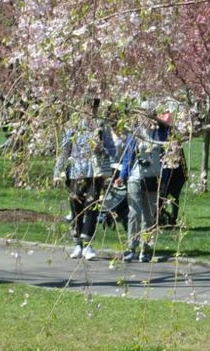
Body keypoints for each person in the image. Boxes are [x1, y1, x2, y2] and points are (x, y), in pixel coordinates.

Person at [53, 105, 115, 259]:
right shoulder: (72, 126)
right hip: (75, 174)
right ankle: (77, 243)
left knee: (91, 206)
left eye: (92, 107)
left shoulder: (101, 126)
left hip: (95, 173)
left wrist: (101, 149)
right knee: (76, 209)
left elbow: (112, 149)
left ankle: (87, 244)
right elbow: (64, 150)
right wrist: (57, 172)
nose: (88, 111)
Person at [116, 103, 168, 262]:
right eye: (142, 115)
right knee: (134, 213)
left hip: (153, 176)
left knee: (149, 216)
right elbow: (127, 157)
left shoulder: (160, 133)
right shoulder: (135, 134)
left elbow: (169, 138)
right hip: (135, 177)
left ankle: (145, 249)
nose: (144, 118)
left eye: (148, 114)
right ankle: (131, 247)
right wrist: (122, 175)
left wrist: (161, 123)